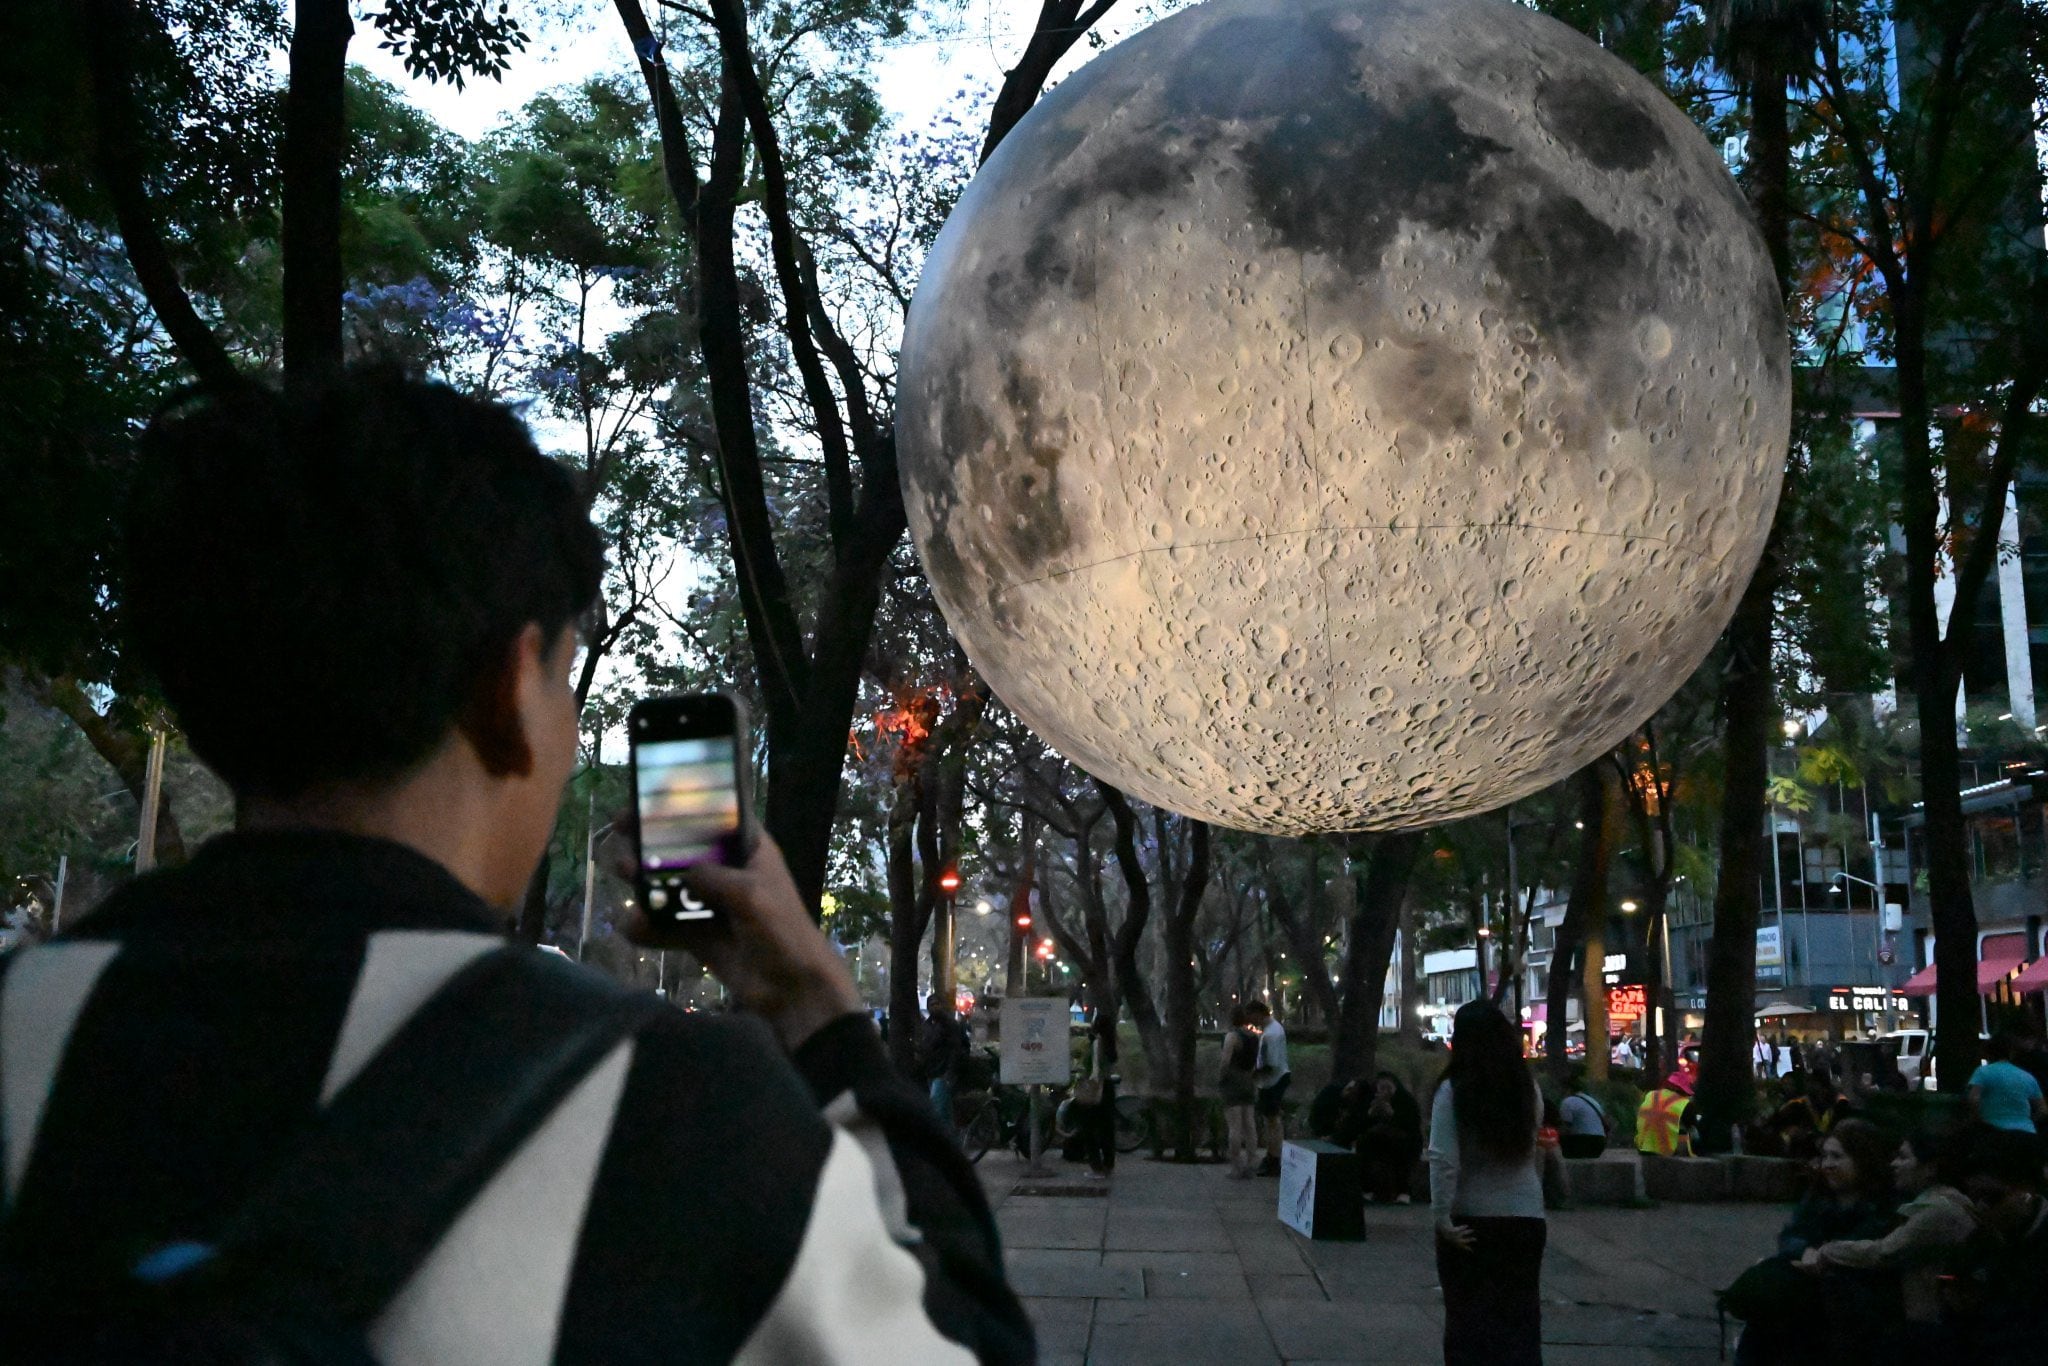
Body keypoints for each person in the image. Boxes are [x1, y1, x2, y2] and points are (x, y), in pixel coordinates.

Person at [0, 371, 1031, 1363]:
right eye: (562, 680)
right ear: (505, 691)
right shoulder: (674, 1112)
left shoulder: (22, 1028)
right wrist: (815, 1008)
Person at [1428, 999, 1545, 1366]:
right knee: (1520, 1322)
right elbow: (1533, 1150)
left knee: (1468, 1324)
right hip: (1526, 1218)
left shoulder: (1453, 1091)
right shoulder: (1527, 1089)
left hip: (1472, 1219)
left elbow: (1443, 1159)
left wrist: (1441, 1217)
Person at [1732, 1119, 1899, 1365]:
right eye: (1825, 1156)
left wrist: (1823, 1258)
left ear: (1863, 1160)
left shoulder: (1882, 1208)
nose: (1827, 1165)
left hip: (1849, 1301)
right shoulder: (1818, 1198)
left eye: (1837, 1157)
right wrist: (1806, 1251)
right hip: (1808, 1287)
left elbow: (1868, 1253)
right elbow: (1791, 1235)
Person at [1796, 1130, 1974, 1355]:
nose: (1894, 1164)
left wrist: (1828, 1251)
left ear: (1930, 1169)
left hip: (1929, 1324)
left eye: (1903, 1157)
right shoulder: (1930, 1204)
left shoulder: (1938, 1211)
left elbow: (1885, 1252)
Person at [1943, 1127, 2048, 1361]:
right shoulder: (1979, 1241)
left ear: (2025, 1190)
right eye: (1974, 1197)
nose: (1980, 1207)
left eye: (1992, 1198)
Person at [1356, 1071, 1424, 1203]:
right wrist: (1370, 1114)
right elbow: (1359, 1125)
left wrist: (1391, 1114)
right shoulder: (1371, 1099)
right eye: (1382, 1088)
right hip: (1377, 1140)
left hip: (1405, 1140)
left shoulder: (1406, 1100)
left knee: (1400, 1150)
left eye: (1389, 1088)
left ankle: (1403, 1192)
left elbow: (1411, 1126)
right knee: (1364, 1144)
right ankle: (1367, 1190)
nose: (1385, 1091)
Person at [1967, 1032, 2047, 1134]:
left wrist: (1977, 1120)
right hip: (2026, 1132)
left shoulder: (1983, 1072)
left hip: (1993, 1131)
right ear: (2011, 1053)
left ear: (1988, 1053)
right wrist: (2027, 1121)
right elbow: (2042, 1110)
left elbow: (1973, 1099)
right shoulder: (2027, 1076)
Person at [1247, 999, 1290, 1176]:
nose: (1251, 1022)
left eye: (1252, 1017)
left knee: (1272, 1121)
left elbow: (1270, 1063)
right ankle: (1273, 1155)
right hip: (1274, 1078)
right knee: (1271, 1120)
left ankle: (1274, 1157)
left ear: (1258, 1013)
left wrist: (1253, 1074)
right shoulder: (1274, 1029)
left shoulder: (1271, 1034)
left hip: (1272, 1080)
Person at [916, 991, 969, 1134]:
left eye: (937, 1004)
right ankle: (952, 1143)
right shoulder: (927, 1025)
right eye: (932, 1005)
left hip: (943, 1073)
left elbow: (956, 1050)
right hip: (931, 1072)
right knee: (945, 1112)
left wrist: (949, 1073)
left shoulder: (950, 1024)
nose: (935, 1007)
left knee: (937, 1107)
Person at [1218, 1005, 1260, 1179]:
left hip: (1233, 1082)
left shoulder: (1232, 1037)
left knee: (1234, 1126)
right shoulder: (1254, 1037)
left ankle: (1236, 1166)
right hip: (1249, 1080)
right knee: (1249, 1125)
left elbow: (1225, 1061)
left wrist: (1220, 1079)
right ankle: (1252, 1161)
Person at [1079, 1006, 1119, 1178]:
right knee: (1106, 1128)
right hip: (1108, 1087)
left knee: (1088, 1129)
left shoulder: (1097, 1043)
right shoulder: (1111, 1042)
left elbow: (1095, 1070)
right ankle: (1108, 1164)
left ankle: (1096, 1167)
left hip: (1096, 1088)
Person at [1558, 1066, 1611, 1160]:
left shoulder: (1567, 1102)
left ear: (1566, 1089)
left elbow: (1565, 1128)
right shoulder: (1592, 1100)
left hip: (1582, 1143)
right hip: (1599, 1143)